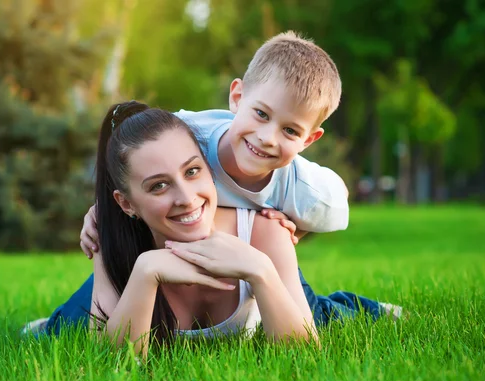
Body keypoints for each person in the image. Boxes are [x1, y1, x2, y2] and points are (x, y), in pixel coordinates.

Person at [78, 31, 399, 321]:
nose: (267, 138)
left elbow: (331, 205)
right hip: (161, 235)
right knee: (101, 286)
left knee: (313, 309)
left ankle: (365, 308)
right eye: (261, 114)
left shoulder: (304, 188)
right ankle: (52, 323)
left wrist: (294, 231)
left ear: (308, 141)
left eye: (289, 130)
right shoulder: (191, 135)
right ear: (237, 97)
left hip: (254, 246)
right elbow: (133, 152)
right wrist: (100, 209)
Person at [25, 101, 317, 355]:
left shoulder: (264, 230)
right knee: (66, 325)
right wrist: (145, 272)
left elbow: (304, 356)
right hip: (116, 282)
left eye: (192, 171)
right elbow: (110, 362)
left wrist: (261, 270)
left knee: (332, 312)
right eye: (158, 186)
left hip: (283, 275)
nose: (187, 199)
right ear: (126, 204)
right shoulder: (111, 239)